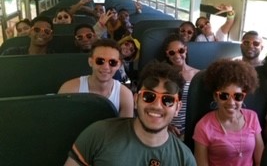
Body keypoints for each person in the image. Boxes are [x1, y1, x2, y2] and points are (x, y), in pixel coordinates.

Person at [64, 61, 197, 166]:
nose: (156, 105)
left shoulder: (184, 159)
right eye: (148, 96)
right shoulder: (98, 135)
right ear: (135, 100)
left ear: (178, 108)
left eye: (167, 100)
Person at [193, 59, 264, 166]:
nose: (231, 103)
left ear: (244, 97)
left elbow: (260, 160)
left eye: (237, 96)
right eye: (224, 96)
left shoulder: (252, 117)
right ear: (215, 97)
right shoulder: (203, 126)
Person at [58, 39, 134, 118]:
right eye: (100, 61)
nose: (105, 67)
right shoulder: (70, 89)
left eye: (112, 62)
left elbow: (124, 128)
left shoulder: (125, 95)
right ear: (90, 62)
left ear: (119, 65)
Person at [162, 34, 199, 139]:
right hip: (167, 127)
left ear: (186, 50)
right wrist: (166, 125)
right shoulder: (164, 77)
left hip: (192, 128)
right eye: (172, 53)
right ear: (167, 54)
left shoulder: (198, 75)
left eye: (181, 51)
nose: (177, 55)